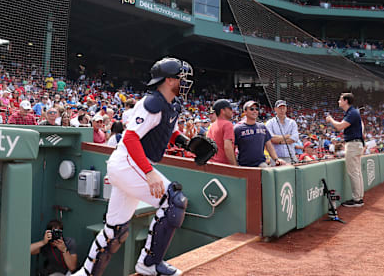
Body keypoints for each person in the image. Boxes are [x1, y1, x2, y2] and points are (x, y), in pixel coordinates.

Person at [72, 57, 215, 276]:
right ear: (169, 80)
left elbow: (169, 131)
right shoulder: (152, 103)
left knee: (116, 231)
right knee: (174, 201)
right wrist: (149, 173)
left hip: (131, 165)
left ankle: (86, 273)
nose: (185, 83)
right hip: (128, 163)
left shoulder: (172, 104)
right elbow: (130, 138)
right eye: (182, 78)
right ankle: (149, 263)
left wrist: (187, 144)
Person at [326, 93, 364, 207]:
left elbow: (339, 126)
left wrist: (331, 119)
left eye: (340, 99)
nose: (338, 101)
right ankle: (359, 198)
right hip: (356, 144)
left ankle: (357, 199)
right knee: (357, 172)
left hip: (353, 145)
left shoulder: (352, 112)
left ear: (346, 101)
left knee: (353, 172)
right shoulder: (352, 112)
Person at [233, 100, 285, 168]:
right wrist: (235, 164)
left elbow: (269, 146)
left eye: (256, 109)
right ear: (245, 112)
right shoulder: (238, 129)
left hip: (261, 164)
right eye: (251, 109)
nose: (255, 111)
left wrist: (276, 159)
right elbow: (232, 149)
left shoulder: (262, 127)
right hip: (244, 166)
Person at [207, 99, 237, 165]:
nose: (232, 111)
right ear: (222, 111)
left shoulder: (212, 125)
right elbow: (227, 147)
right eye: (230, 108)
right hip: (224, 165)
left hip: (212, 163)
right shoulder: (227, 124)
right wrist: (235, 166)